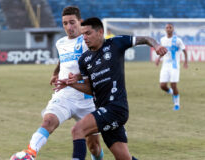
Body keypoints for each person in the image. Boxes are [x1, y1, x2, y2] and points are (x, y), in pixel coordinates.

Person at [54, 17, 167, 160]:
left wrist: (156, 46)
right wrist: (71, 84)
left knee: (78, 130)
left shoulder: (115, 43)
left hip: (116, 108)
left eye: (88, 33)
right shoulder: (84, 60)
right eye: (82, 34)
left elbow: (145, 38)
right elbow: (90, 89)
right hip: (103, 109)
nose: (84, 38)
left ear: (100, 32)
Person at [15, 7, 103, 160]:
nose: (69, 27)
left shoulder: (89, 40)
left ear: (80, 22)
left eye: (72, 22)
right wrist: (56, 72)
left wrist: (77, 77)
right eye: (65, 23)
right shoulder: (60, 43)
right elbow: (63, 59)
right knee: (48, 121)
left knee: (94, 147)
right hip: (64, 94)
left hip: (87, 98)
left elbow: (98, 65)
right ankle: (30, 153)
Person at [155, 23, 188, 111]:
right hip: (165, 65)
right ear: (165, 29)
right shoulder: (162, 40)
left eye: (170, 27)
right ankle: (172, 92)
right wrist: (158, 59)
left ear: (173, 29)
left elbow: (184, 50)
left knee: (173, 85)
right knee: (162, 86)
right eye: (167, 27)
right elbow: (163, 51)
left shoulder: (177, 40)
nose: (168, 29)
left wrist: (185, 62)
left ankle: (177, 104)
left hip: (174, 65)